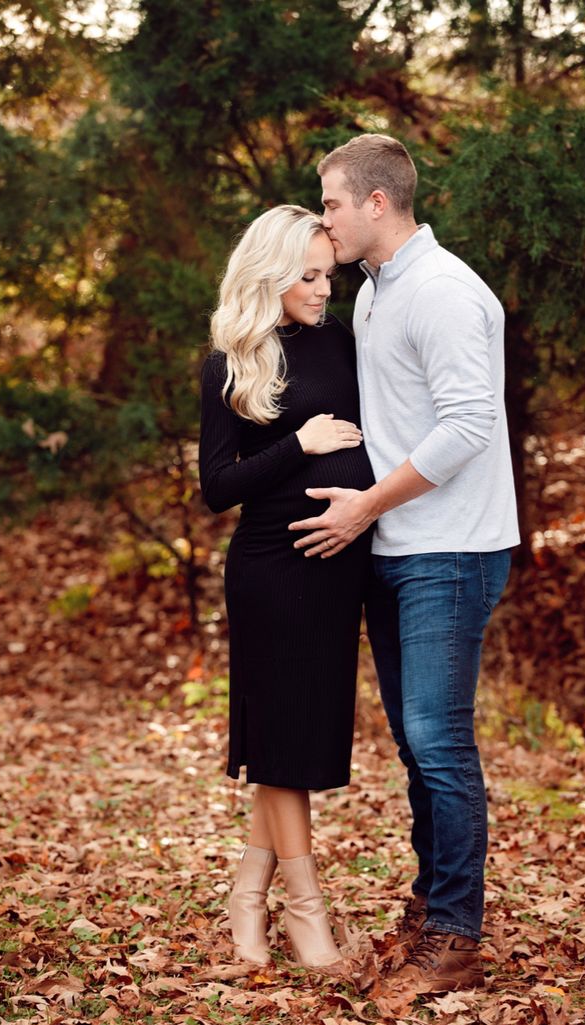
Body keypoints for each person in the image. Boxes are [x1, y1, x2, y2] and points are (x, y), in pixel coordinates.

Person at [289, 135, 520, 994]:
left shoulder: (446, 292)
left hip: (450, 549)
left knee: (438, 740)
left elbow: (467, 427)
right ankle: (433, 905)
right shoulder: (382, 292)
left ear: (377, 204)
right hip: (398, 544)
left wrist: (365, 505)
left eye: (333, 203)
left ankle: (457, 933)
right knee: (419, 747)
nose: (326, 219)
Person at [199, 204, 375, 971]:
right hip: (270, 567)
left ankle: (247, 898)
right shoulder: (230, 360)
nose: (320, 289)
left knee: (295, 738)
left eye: (325, 275)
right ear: (269, 274)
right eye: (305, 276)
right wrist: (298, 445)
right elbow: (217, 486)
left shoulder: (342, 341)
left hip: (337, 568)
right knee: (283, 747)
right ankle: (306, 915)